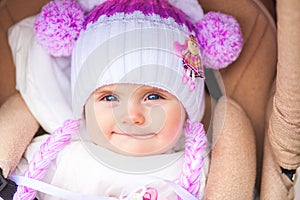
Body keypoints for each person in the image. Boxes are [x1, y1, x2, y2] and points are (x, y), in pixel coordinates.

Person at [0, 0, 256, 199]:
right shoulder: (60, 159)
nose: (132, 116)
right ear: (85, 109)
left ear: (187, 108)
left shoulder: (198, 170)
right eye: (109, 97)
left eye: (153, 96)